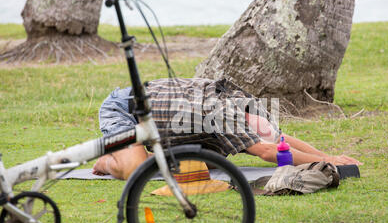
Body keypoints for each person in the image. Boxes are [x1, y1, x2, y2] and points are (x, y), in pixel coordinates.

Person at [93, 78, 362, 180]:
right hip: (124, 111)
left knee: (209, 163)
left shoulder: (250, 108)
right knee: (135, 170)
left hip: (164, 125)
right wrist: (326, 161)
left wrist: (328, 155)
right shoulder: (224, 112)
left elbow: (278, 141)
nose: (264, 134)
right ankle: (109, 160)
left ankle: (133, 152)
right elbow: (269, 153)